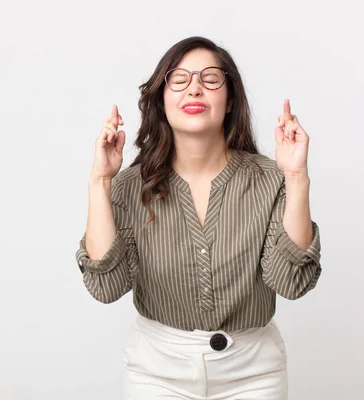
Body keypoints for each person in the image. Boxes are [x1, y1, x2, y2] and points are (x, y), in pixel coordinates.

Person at [74, 36, 321, 400]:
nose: (194, 89)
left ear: (230, 98)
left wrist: (296, 176)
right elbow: (106, 287)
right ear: (161, 97)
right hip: (156, 369)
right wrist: (100, 181)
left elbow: (291, 282)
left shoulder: (270, 179)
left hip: (254, 371)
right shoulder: (129, 186)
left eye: (209, 79)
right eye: (179, 79)